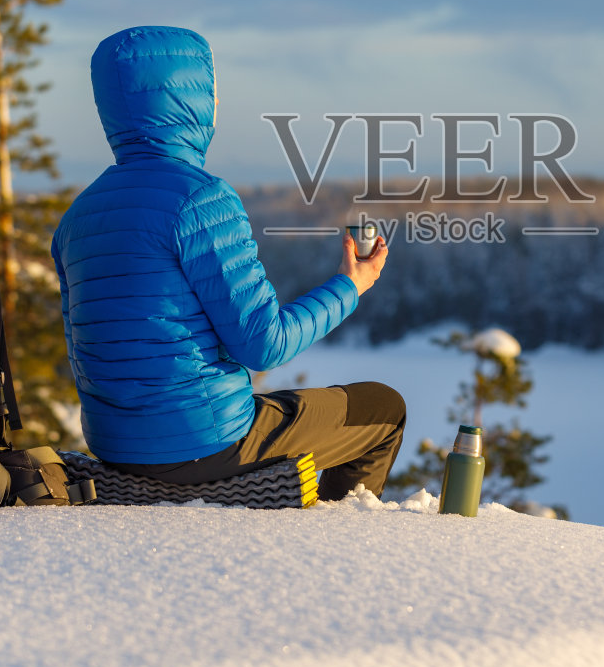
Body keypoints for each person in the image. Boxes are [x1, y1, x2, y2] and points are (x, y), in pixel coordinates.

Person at [50, 25, 403, 500]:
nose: (217, 104)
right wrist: (350, 286)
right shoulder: (201, 199)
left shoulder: (79, 216)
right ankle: (340, 535)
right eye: (212, 92)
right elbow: (264, 345)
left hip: (114, 447)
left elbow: (88, 349)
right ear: (191, 100)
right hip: (206, 446)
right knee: (383, 408)